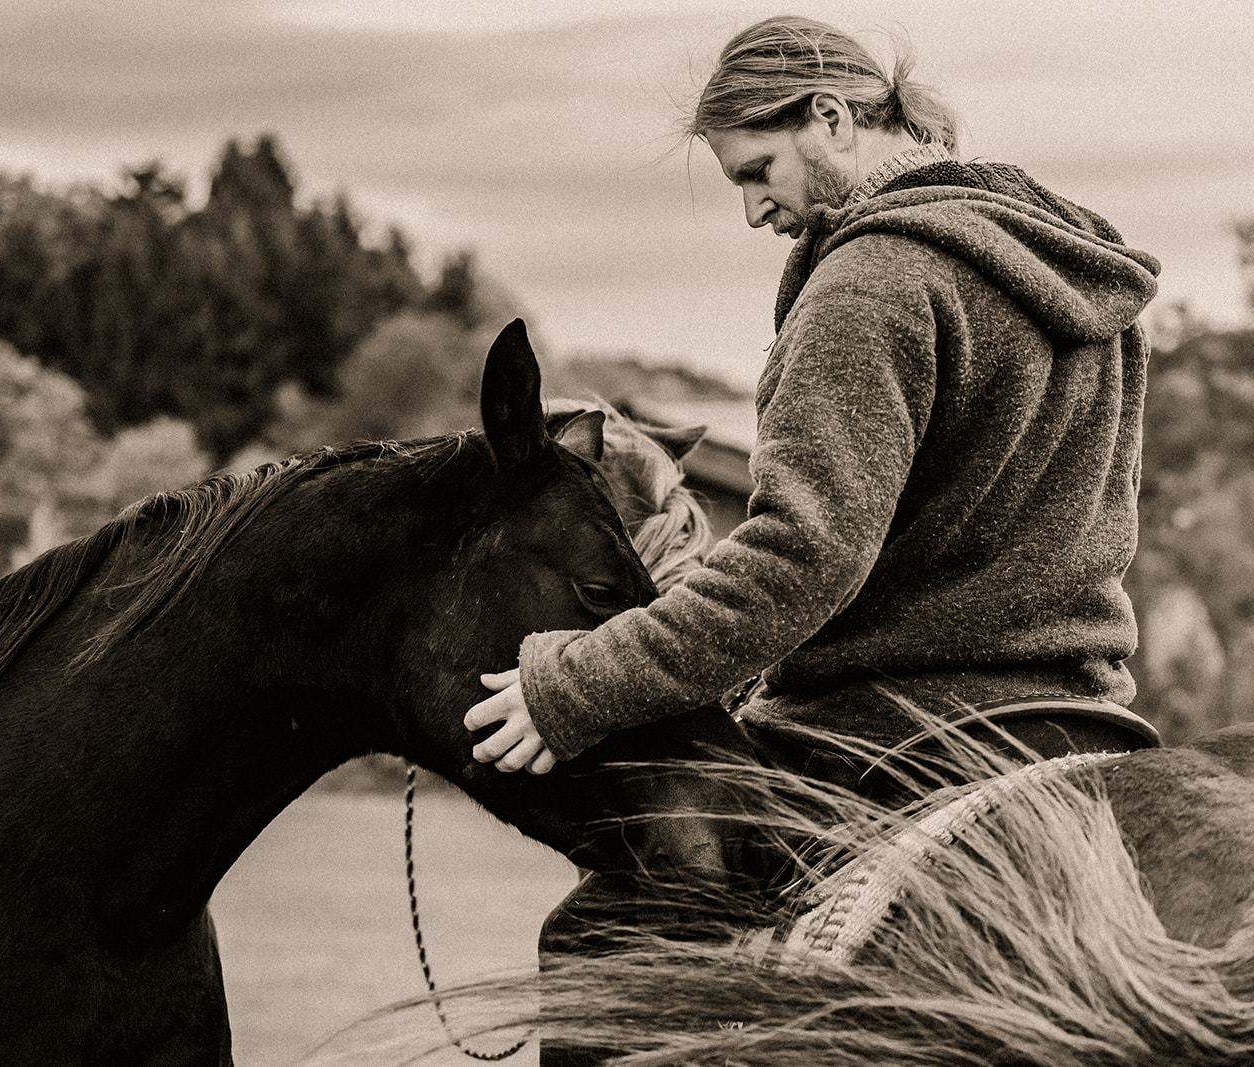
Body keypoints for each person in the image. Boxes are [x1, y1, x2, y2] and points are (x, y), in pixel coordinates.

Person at [466, 14, 1161, 783]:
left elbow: (800, 559)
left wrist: (576, 687)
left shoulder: (869, 285)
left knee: (600, 912)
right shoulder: (1073, 274)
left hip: (892, 739)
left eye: (758, 170)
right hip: (1083, 721)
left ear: (829, 117)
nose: (754, 210)